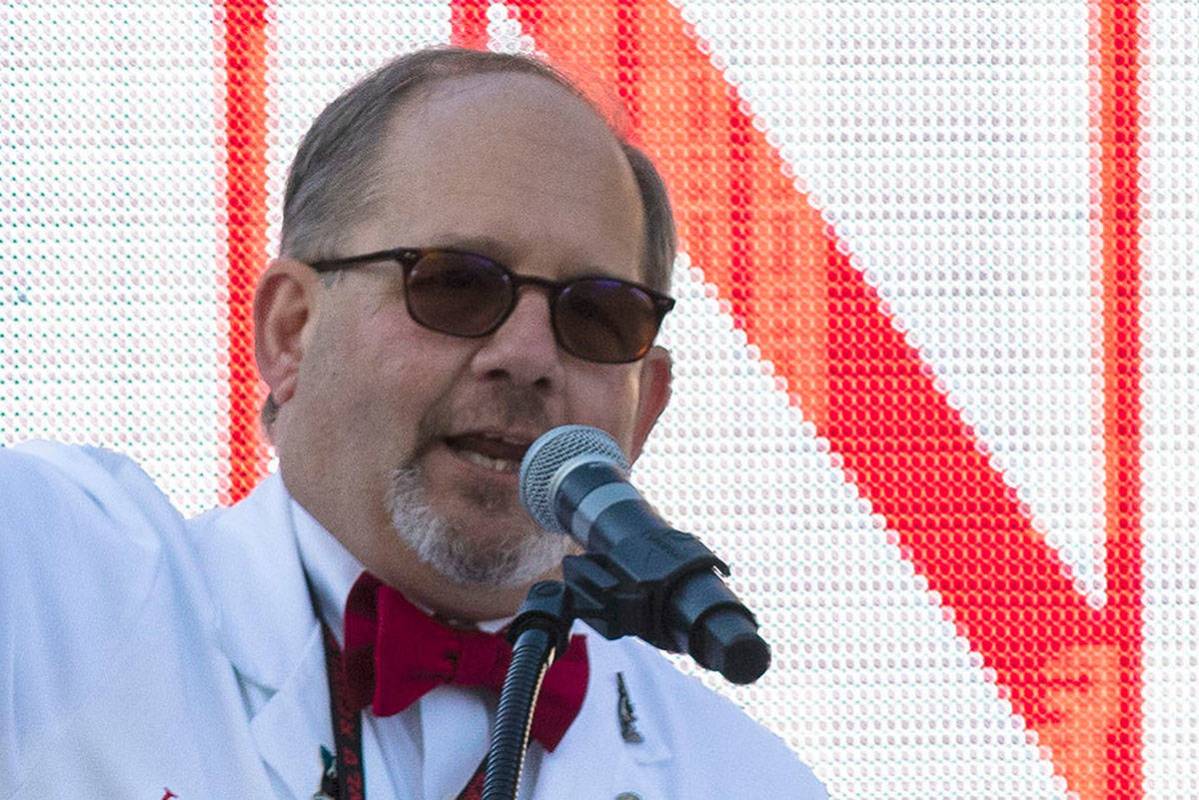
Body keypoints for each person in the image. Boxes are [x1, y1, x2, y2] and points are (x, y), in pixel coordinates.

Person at [0, 47, 826, 798]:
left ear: (643, 405)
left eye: (597, 315)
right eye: (457, 283)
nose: (530, 355)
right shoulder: (61, 584)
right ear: (291, 331)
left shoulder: (744, 780)